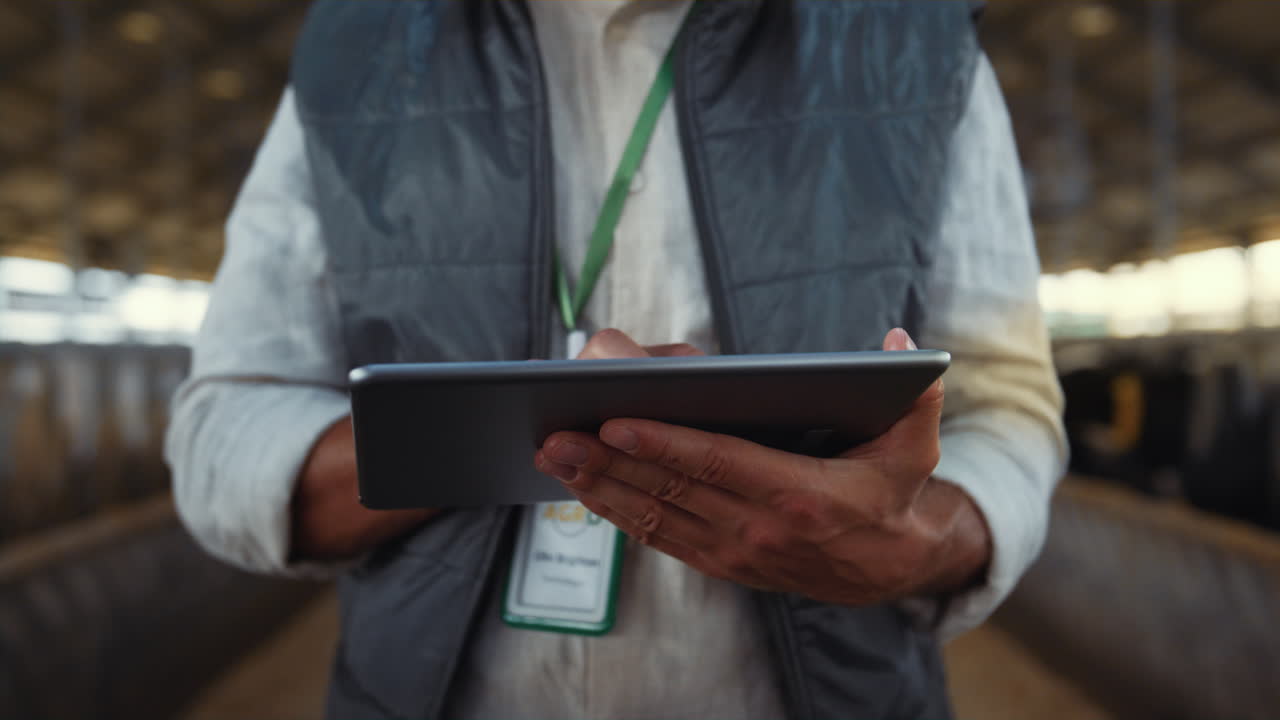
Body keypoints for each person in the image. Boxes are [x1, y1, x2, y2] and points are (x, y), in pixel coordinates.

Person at [166, 1, 1066, 718]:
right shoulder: (350, 59)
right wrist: (523, 425)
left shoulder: (913, 41)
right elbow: (224, 431)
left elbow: (1006, 402)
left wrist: (924, 542)